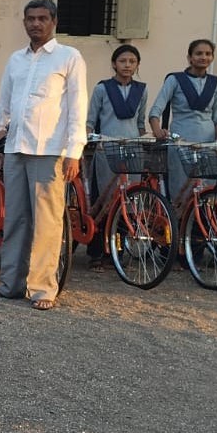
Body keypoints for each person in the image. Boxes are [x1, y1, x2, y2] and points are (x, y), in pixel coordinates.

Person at [0, 0, 87, 311]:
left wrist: (74, 152)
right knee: (15, 220)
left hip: (50, 152)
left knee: (47, 223)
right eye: (30, 19)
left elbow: (77, 107)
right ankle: (10, 285)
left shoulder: (69, 57)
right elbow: (4, 108)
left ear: (53, 22)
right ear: (24, 22)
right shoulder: (16, 60)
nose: (36, 24)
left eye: (42, 18)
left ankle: (42, 289)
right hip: (16, 148)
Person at [84, 44, 146, 270]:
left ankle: (117, 252)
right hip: (106, 148)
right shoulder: (102, 89)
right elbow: (91, 120)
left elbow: (140, 123)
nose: (127, 65)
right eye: (122, 61)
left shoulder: (142, 90)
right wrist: (87, 138)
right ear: (114, 64)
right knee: (104, 199)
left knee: (127, 200)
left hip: (132, 148)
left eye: (132, 61)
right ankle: (96, 252)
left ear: (137, 65)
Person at [148, 39, 217, 202]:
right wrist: (157, 130)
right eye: (198, 53)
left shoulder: (215, 83)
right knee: (181, 189)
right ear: (189, 57)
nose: (203, 57)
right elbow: (156, 110)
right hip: (180, 141)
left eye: (208, 54)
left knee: (208, 191)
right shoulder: (174, 80)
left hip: (208, 143)